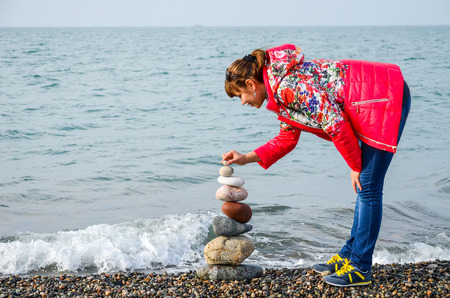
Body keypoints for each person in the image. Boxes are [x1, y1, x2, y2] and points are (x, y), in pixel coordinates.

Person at [221, 44, 411, 287]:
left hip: (384, 96)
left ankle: (361, 267)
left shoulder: (288, 87)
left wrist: (355, 165)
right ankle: (349, 256)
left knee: (368, 186)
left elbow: (336, 123)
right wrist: (246, 157)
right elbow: (286, 139)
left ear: (251, 84)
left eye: (240, 96)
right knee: (365, 186)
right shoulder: (280, 89)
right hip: (372, 97)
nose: (242, 102)